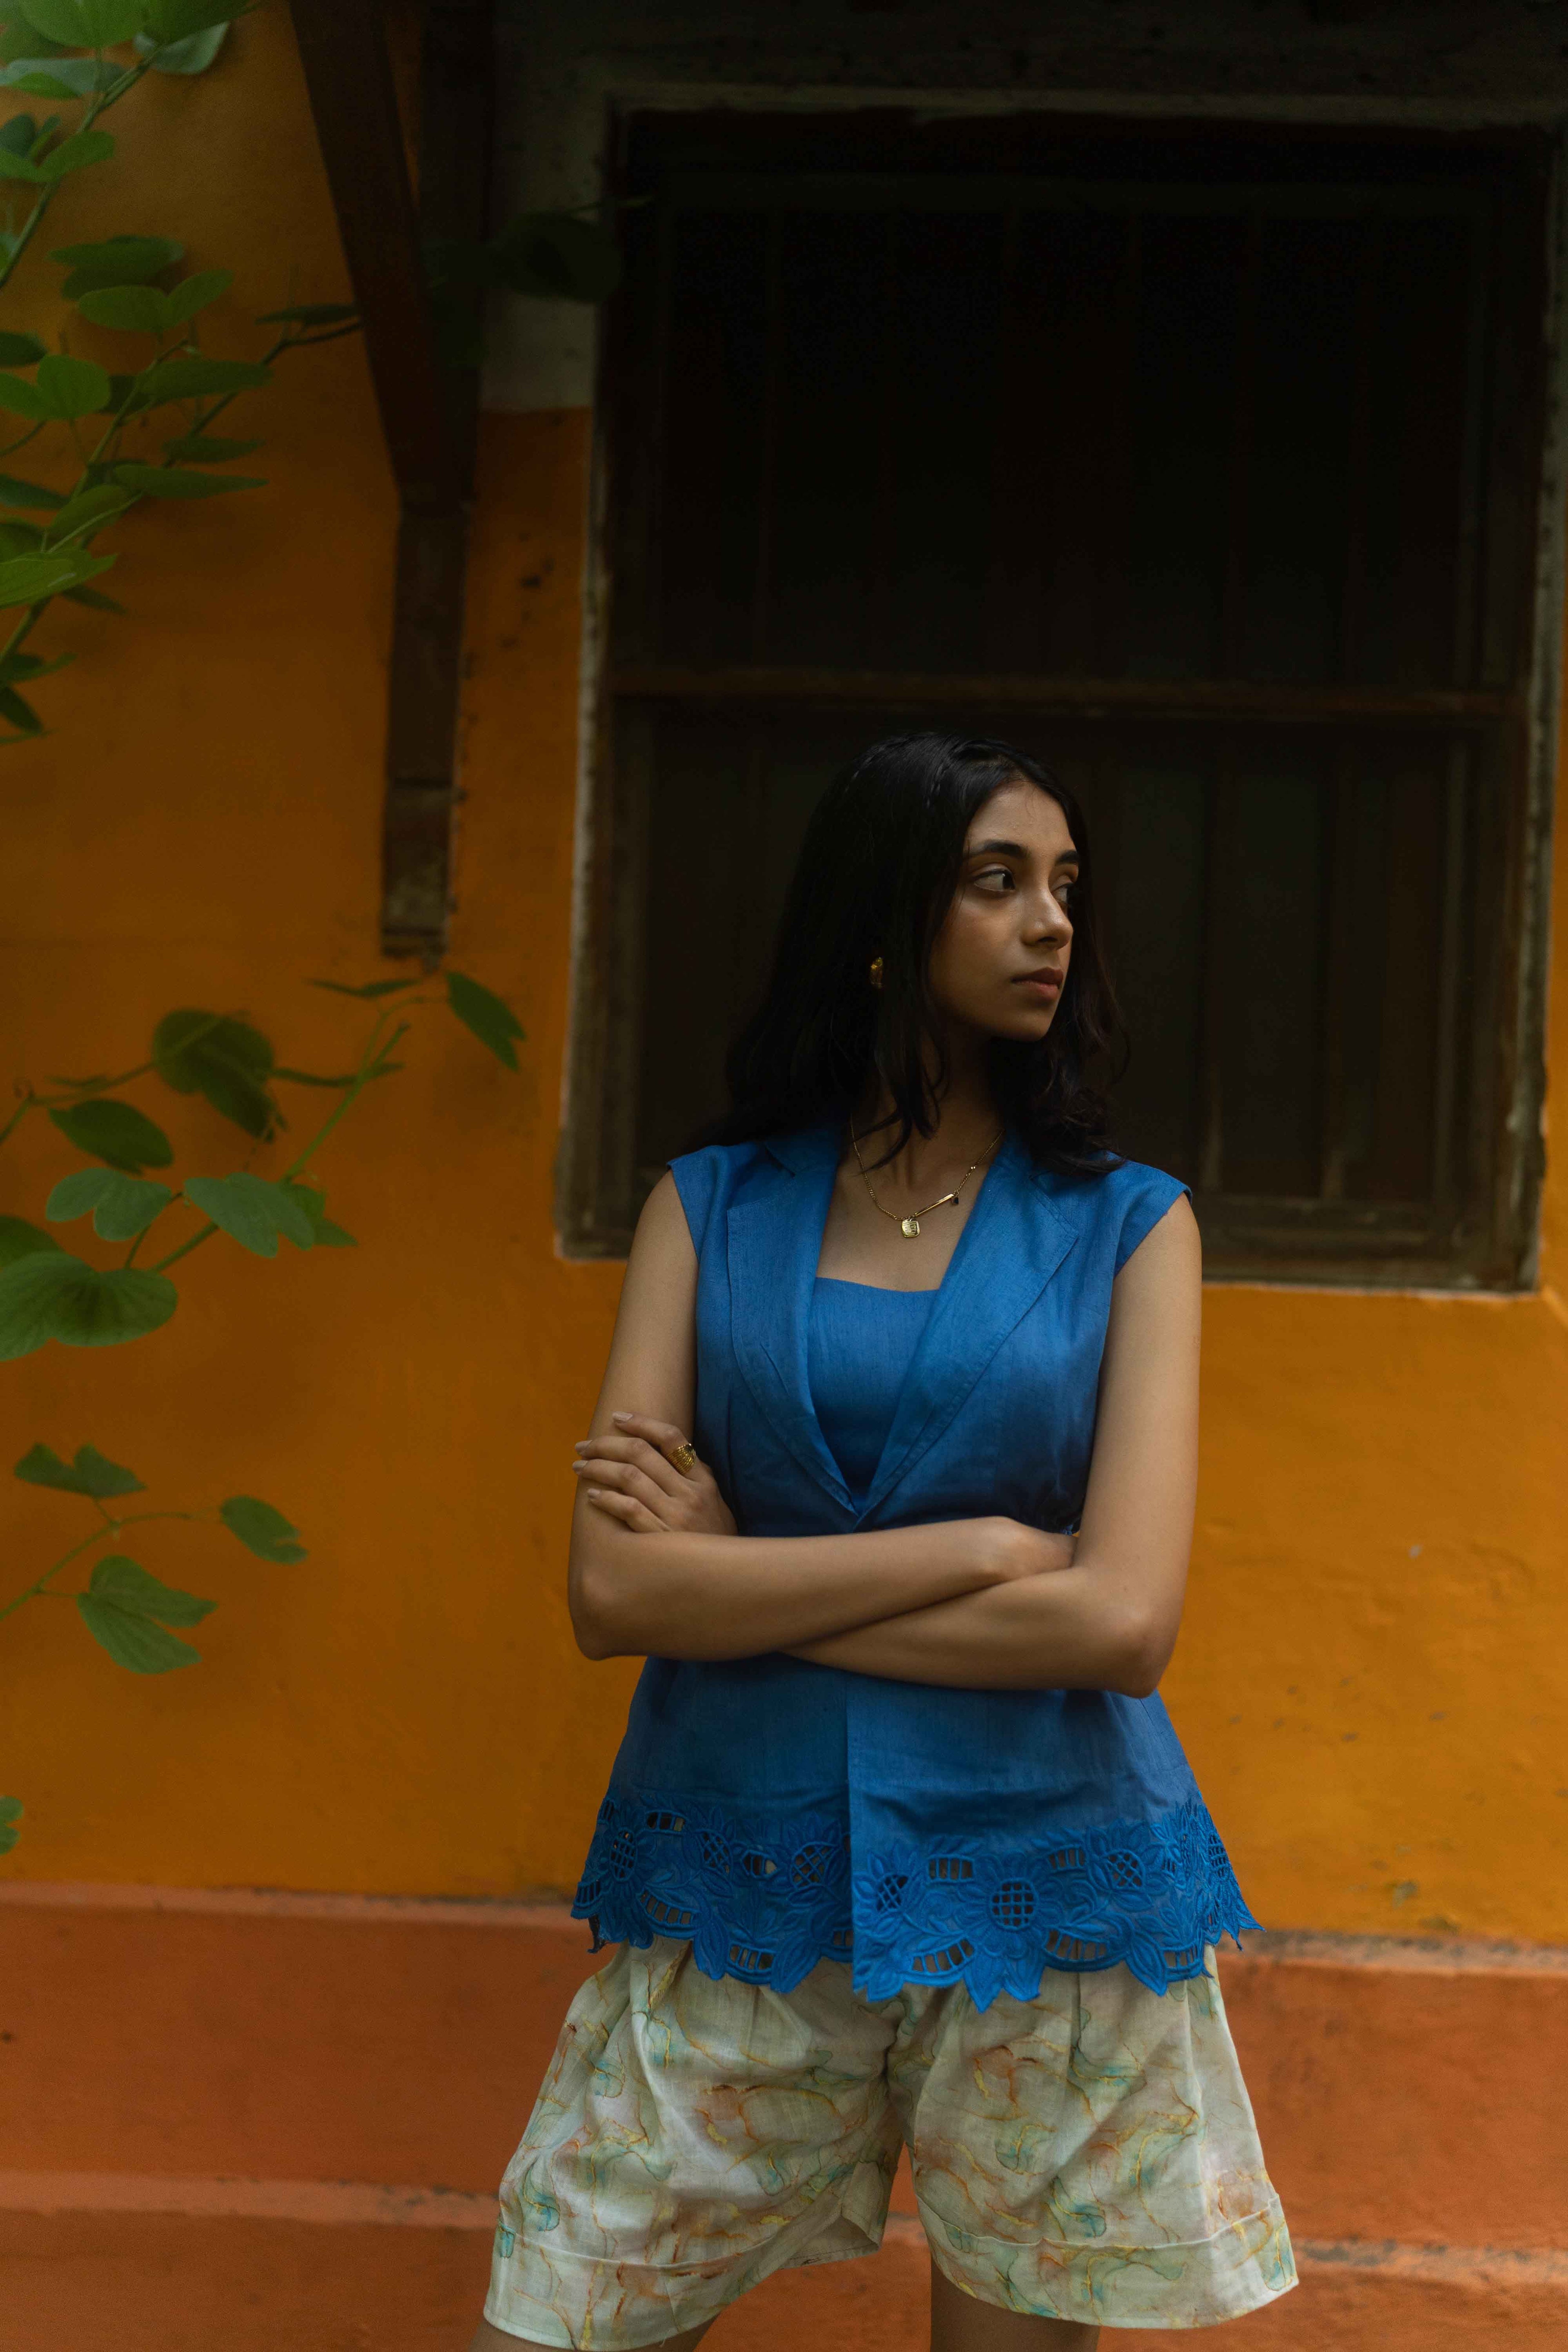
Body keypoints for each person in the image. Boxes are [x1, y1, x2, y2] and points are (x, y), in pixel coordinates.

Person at [472, 733, 1294, 2351]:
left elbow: (1122, 1626)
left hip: (1042, 1890)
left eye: (1066, 886)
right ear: (878, 916)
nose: (1054, 922)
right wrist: (985, 1546)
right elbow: (616, 1590)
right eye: (998, 882)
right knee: (557, 2314)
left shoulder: (1131, 1227)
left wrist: (742, 1591)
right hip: (740, 1872)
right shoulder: (705, 1209)